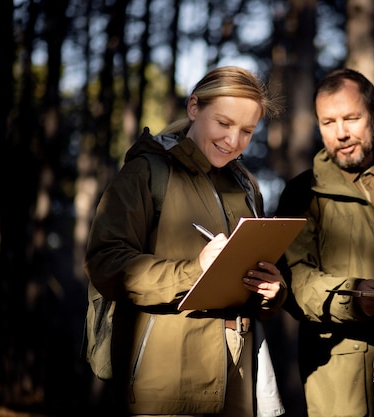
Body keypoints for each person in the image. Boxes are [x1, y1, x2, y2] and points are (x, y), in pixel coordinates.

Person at [85, 66, 285, 417]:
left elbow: (250, 288)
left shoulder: (247, 188)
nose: (234, 141)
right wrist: (195, 270)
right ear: (194, 107)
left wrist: (271, 291)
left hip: (237, 382)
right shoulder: (145, 173)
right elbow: (106, 263)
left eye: (247, 131)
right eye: (224, 124)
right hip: (164, 382)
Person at [276, 68, 374, 417]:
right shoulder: (300, 193)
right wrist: (353, 298)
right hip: (339, 378)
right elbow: (293, 280)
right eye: (328, 122)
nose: (341, 133)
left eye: (352, 118)